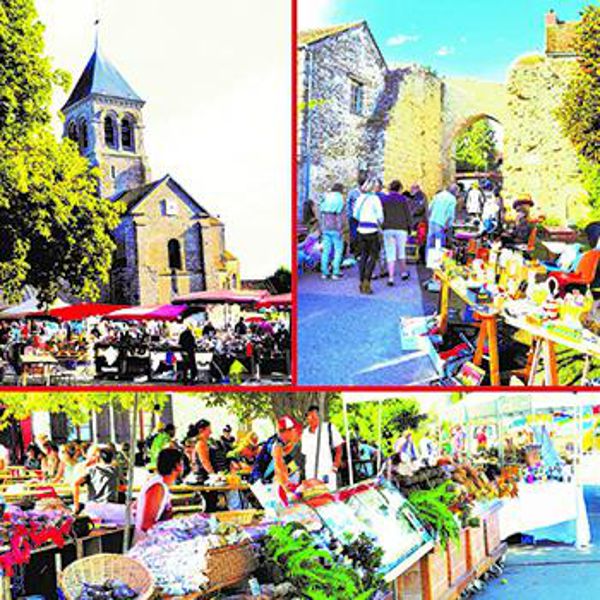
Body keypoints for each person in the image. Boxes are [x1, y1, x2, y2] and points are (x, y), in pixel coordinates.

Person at [133, 448, 184, 544]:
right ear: (177, 466)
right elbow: (146, 524)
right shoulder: (157, 487)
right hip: (146, 543)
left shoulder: (160, 484)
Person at [249, 416, 304, 495]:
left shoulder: (289, 444)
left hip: (268, 482)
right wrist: (286, 486)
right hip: (259, 484)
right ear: (286, 432)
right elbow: (279, 466)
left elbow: (289, 468)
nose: (299, 435)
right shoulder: (276, 444)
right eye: (296, 431)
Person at [301, 405, 343, 491]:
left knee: (329, 496)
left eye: (314, 416)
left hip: (327, 471)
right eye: (310, 417)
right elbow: (305, 453)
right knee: (314, 498)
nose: (312, 419)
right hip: (310, 473)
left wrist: (335, 466)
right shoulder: (305, 433)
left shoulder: (329, 428)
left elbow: (339, 448)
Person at [353, 177, 384, 294]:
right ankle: (367, 280)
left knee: (363, 256)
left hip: (361, 229)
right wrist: (378, 221)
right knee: (373, 256)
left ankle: (361, 281)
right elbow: (380, 216)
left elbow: (355, 214)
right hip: (372, 230)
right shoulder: (375, 199)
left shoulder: (360, 198)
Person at [381, 180, 412, 286]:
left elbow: (382, 214)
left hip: (388, 228)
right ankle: (403, 272)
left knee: (390, 253)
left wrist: (382, 226)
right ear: (399, 188)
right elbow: (408, 214)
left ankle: (390, 278)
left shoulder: (384, 199)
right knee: (401, 251)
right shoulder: (403, 199)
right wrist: (410, 228)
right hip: (401, 228)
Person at [72, 446, 120, 512]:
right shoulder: (115, 469)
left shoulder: (91, 470)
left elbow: (75, 483)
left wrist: (76, 505)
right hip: (111, 505)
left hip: (94, 506)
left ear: (98, 457)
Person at [319, 183, 345, 280]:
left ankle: (324, 272)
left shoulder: (326, 197)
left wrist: (322, 228)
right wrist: (340, 229)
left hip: (325, 228)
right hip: (335, 228)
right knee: (338, 250)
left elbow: (321, 214)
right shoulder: (340, 199)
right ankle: (335, 272)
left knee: (326, 251)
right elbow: (340, 217)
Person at [427, 184, 458, 254]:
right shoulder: (452, 199)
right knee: (439, 244)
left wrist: (430, 218)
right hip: (441, 223)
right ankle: (437, 262)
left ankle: (429, 261)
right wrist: (448, 226)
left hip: (432, 221)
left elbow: (429, 208)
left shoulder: (438, 195)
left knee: (430, 244)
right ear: (454, 191)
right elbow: (450, 214)